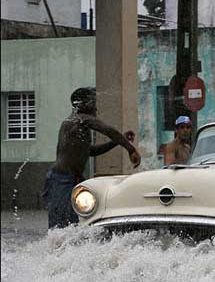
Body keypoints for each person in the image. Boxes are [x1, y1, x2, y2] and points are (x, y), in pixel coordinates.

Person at [43, 87, 141, 229]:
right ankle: (55, 251)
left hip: (70, 179)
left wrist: (117, 142)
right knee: (61, 226)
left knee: (76, 223)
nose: (96, 106)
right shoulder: (78, 120)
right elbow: (108, 130)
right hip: (61, 180)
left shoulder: (76, 125)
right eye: (93, 101)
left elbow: (91, 151)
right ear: (82, 104)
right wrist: (130, 149)